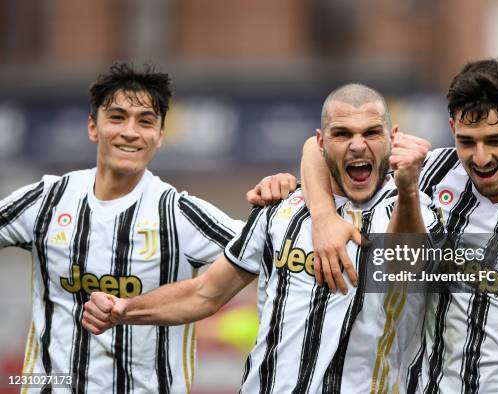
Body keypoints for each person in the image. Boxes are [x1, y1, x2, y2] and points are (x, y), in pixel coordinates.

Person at [82, 83, 437, 392]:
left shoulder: (418, 212)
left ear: (393, 138)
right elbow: (205, 293)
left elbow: (405, 264)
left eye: (371, 133)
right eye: (342, 134)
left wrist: (408, 192)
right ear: (321, 141)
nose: (357, 145)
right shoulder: (279, 212)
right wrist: (125, 309)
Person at [304, 58, 498, 393]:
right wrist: (321, 215)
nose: (480, 158)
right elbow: (318, 149)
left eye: (495, 140)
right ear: (452, 128)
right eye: (468, 141)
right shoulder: (431, 171)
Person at [0, 62, 297, 393]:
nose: (130, 131)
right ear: (92, 127)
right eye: (117, 117)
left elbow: (280, 251)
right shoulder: (45, 200)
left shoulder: (179, 214)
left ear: (159, 137)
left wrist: (284, 191)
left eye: (145, 121)